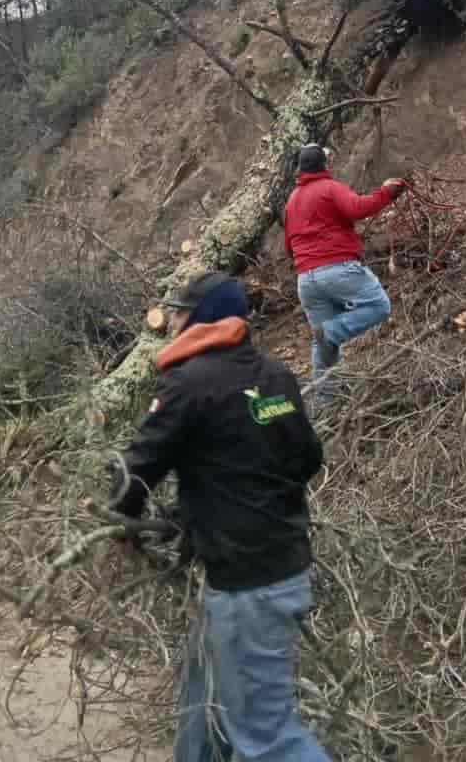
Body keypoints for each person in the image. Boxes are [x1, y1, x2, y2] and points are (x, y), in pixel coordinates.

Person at [111, 272, 329, 762]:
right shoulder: (274, 376)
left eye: (180, 312)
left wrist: (120, 521)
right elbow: (306, 460)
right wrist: (204, 507)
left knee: (265, 735)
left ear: (203, 317)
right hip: (281, 566)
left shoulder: (188, 384)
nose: (170, 322)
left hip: (247, 584)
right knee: (200, 698)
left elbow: (137, 470)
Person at [283, 145, 406, 397]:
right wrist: (386, 192)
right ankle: (331, 332)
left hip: (305, 280)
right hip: (337, 269)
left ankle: (326, 406)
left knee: (323, 346)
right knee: (378, 305)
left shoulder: (292, 200)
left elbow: (288, 247)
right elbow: (357, 208)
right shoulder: (329, 188)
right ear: (323, 165)